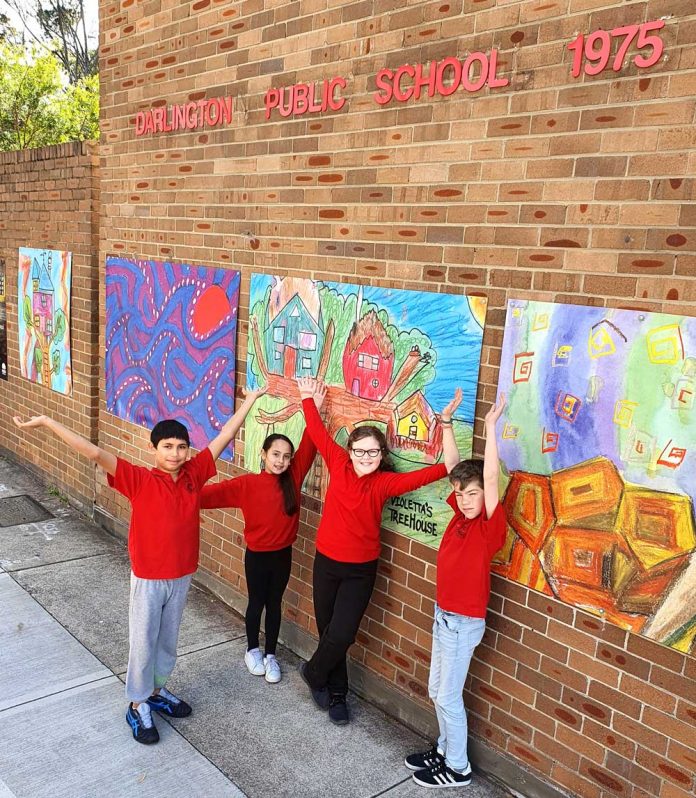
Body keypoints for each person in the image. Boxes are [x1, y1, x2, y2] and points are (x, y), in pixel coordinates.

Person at [13, 386, 264, 745]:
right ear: (155, 449)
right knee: (143, 644)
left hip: (181, 575)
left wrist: (251, 401)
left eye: (181, 447)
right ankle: (136, 703)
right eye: (168, 446)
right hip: (149, 578)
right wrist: (48, 421)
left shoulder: (195, 473)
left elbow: (226, 433)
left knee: (167, 644)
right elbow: (95, 452)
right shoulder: (140, 479)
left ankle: (156, 692)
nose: (176, 453)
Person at [296, 375, 462, 726]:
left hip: (360, 569)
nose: (365, 457)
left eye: (373, 451)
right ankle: (336, 692)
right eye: (360, 450)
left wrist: (446, 423)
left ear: (381, 454)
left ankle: (313, 672)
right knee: (329, 632)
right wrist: (308, 398)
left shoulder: (385, 483)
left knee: (343, 633)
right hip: (326, 562)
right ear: (351, 450)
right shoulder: (338, 463)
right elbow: (317, 431)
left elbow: (448, 468)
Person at [405, 393, 506, 789]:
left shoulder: (487, 528)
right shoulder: (460, 516)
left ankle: (459, 768)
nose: (464, 500)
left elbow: (492, 478)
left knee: (448, 696)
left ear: (485, 497)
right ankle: (445, 750)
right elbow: (453, 468)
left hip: (463, 623)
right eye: (460, 494)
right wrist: (445, 424)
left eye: (473, 494)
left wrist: (490, 430)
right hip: (443, 616)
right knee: (436, 691)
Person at [200, 381, 326, 684]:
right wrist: (177, 494)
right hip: (256, 556)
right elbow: (205, 497)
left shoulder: (293, 478)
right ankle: (252, 649)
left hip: (283, 555)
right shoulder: (247, 485)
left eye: (286, 456)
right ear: (264, 454)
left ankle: (271, 655)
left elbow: (311, 442)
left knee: (275, 604)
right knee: (256, 602)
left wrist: (315, 407)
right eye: (275, 454)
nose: (281, 460)